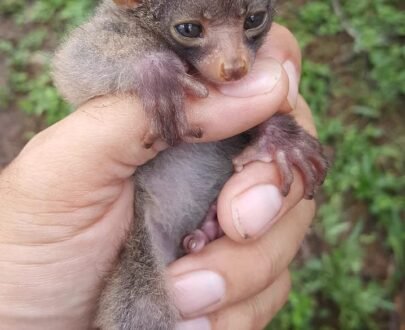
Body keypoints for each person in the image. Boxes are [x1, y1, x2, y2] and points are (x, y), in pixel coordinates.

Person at [0, 24, 317, 329]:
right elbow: (74, 67)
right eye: (191, 29)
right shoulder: (129, 29)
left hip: (216, 209)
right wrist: (147, 67)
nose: (234, 62)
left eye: (252, 20)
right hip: (141, 224)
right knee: (143, 311)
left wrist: (275, 126)